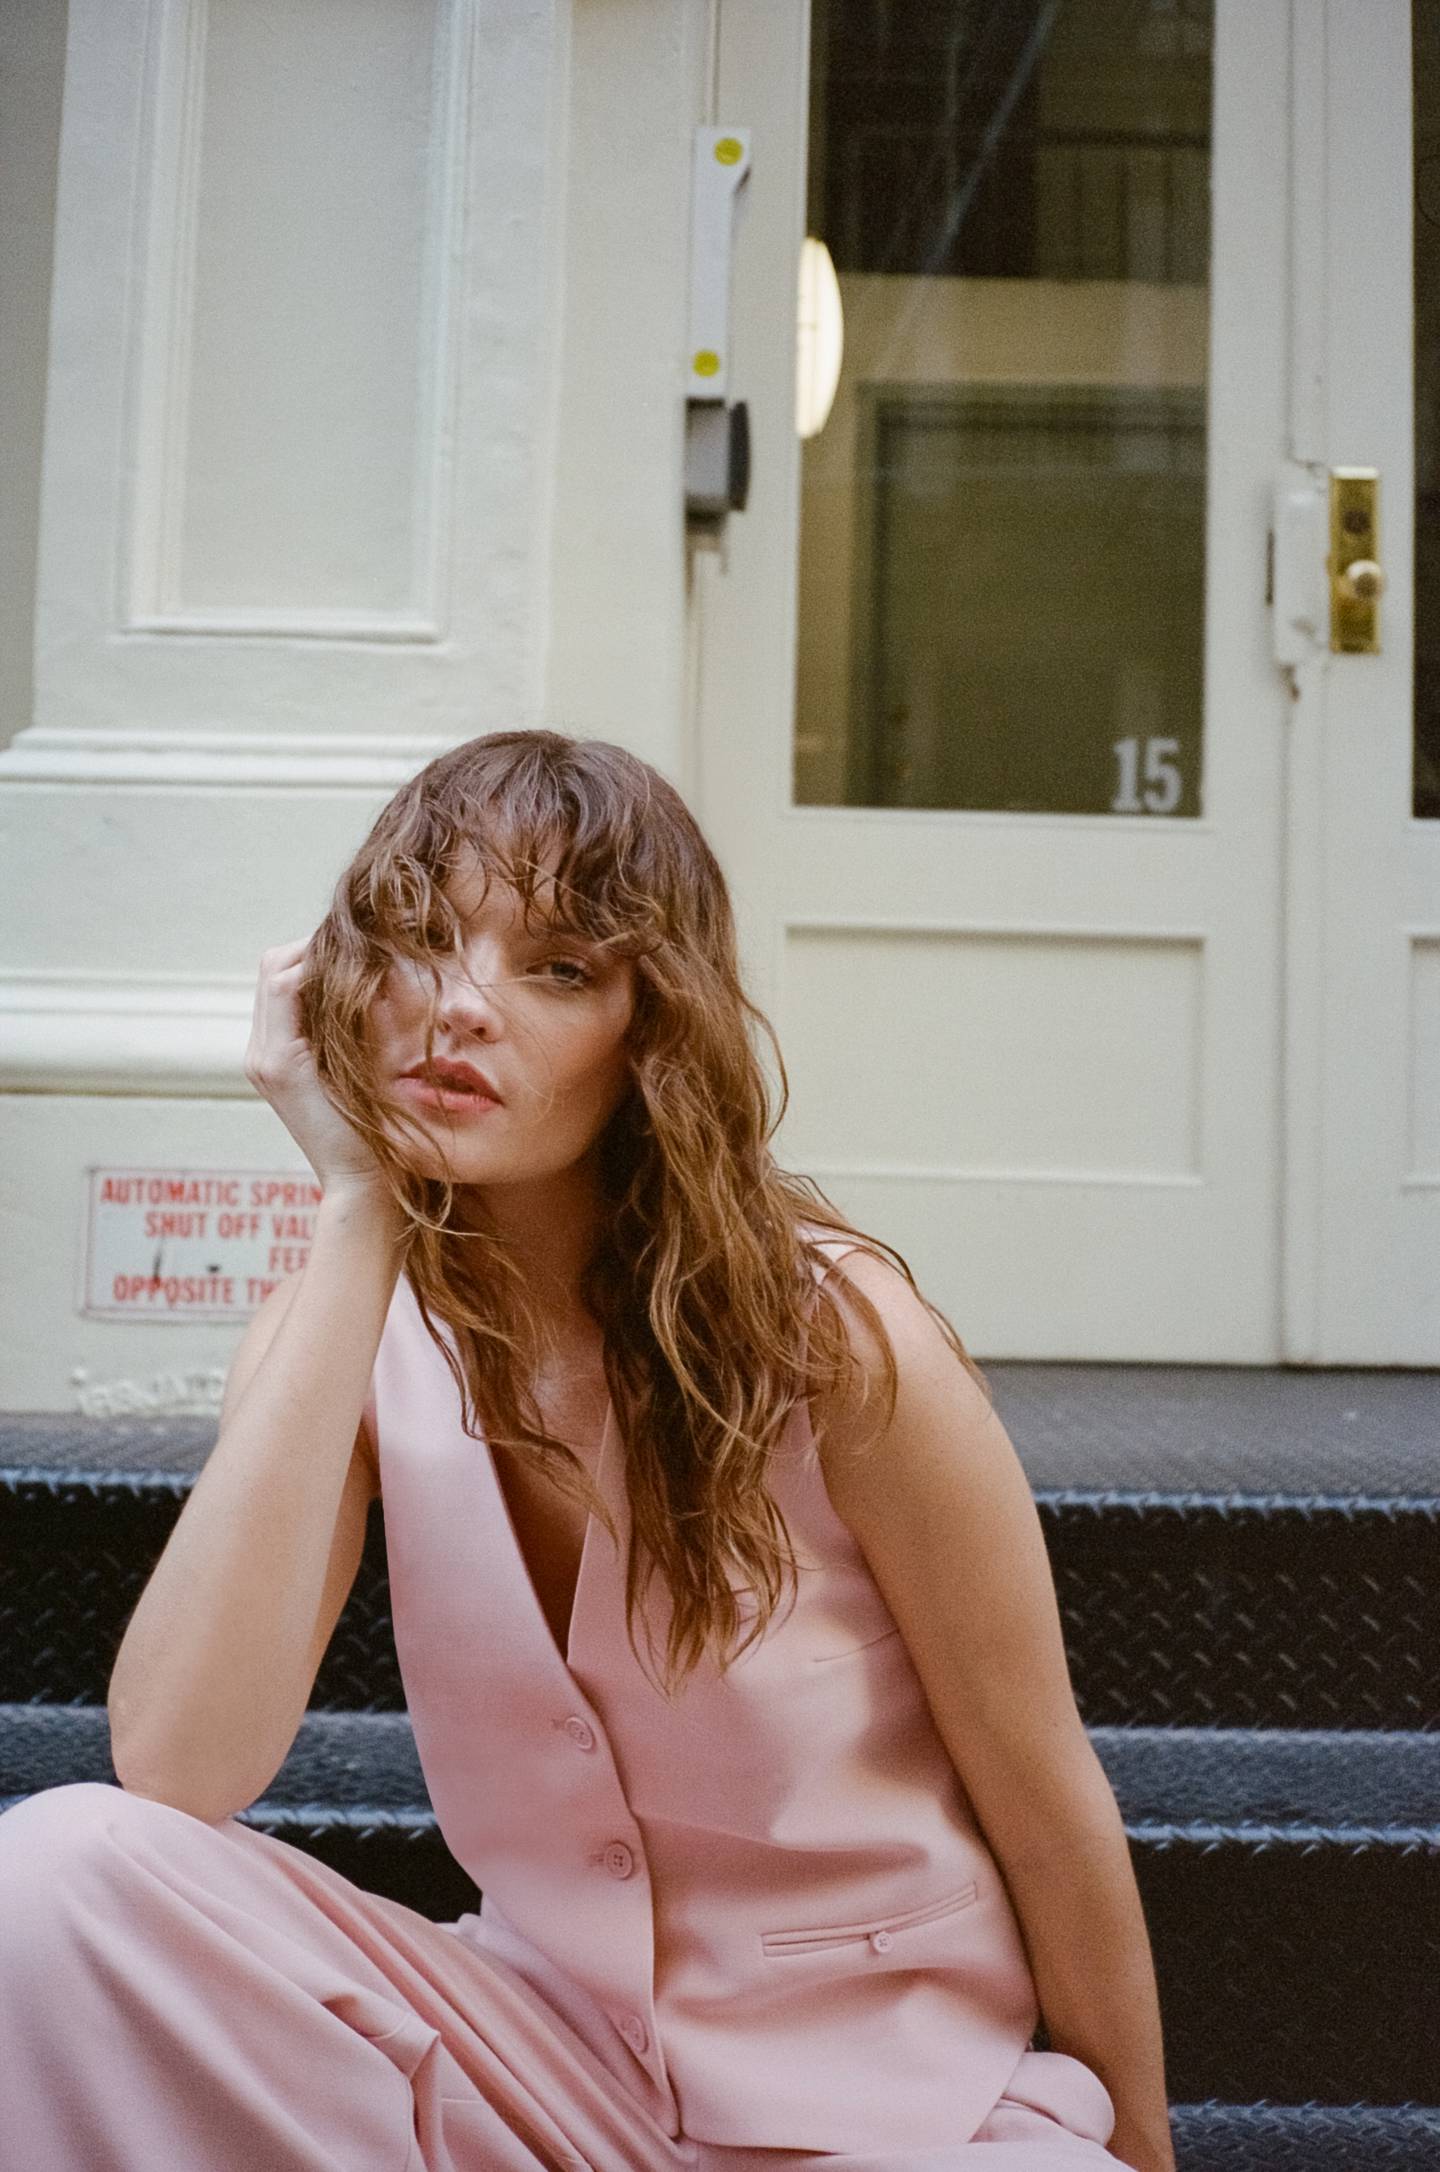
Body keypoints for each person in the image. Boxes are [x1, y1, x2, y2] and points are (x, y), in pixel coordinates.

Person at [0, 731, 1175, 2171]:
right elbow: (177, 1764)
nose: (461, 1008)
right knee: (61, 1873)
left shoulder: (839, 1344)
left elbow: (1044, 1789)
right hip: (544, 2060)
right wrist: (357, 1206)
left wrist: (1143, 2139)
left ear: (650, 1033)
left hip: (896, 2103)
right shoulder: (344, 1329)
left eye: (555, 967)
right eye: (421, 943)